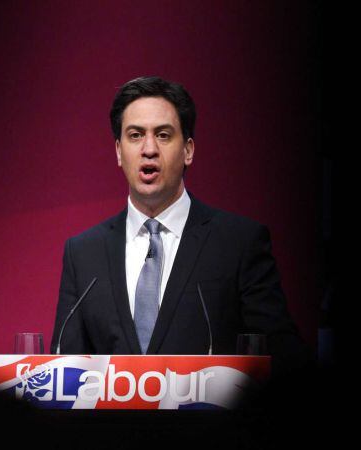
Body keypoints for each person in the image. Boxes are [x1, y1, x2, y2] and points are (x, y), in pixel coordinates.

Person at [50, 76, 310, 375]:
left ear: (188, 150)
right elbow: (63, 370)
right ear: (119, 152)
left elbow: (286, 358)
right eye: (135, 135)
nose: (149, 149)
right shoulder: (83, 253)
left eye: (163, 135)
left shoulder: (239, 243)